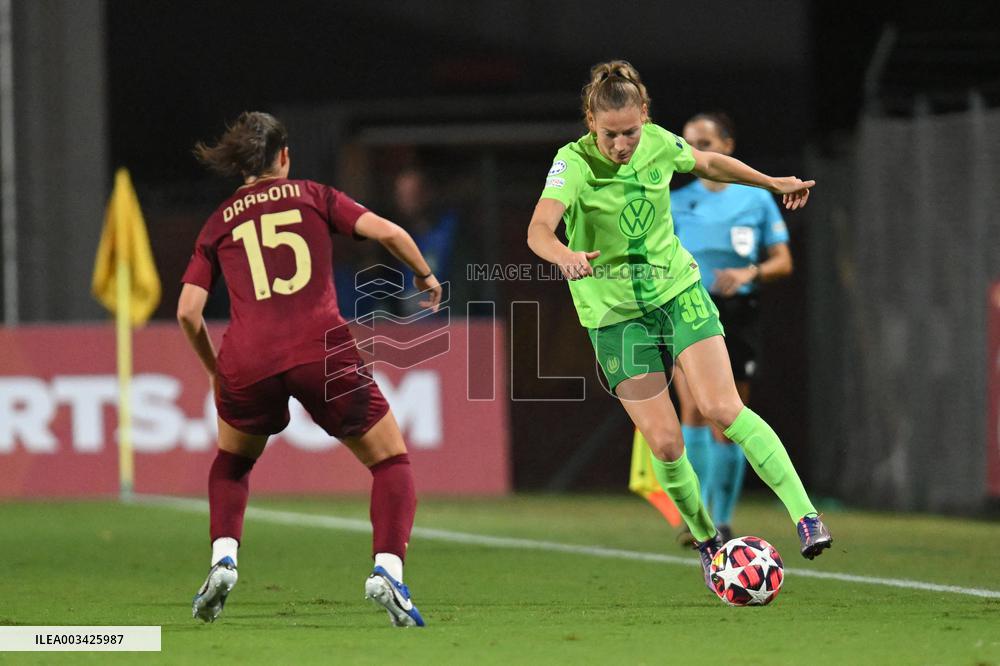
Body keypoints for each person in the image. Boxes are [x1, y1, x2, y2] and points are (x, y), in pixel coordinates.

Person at [526, 61, 831, 590]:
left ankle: (806, 516)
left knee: (722, 407)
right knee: (666, 444)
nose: (622, 144)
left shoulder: (659, 143)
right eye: (610, 134)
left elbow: (710, 162)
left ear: (644, 115)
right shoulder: (570, 164)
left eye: (630, 132)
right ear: (589, 124)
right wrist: (562, 255)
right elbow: (538, 228)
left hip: (677, 293)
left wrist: (769, 183)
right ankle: (710, 543)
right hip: (615, 318)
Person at [178, 111, 442, 627]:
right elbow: (387, 231)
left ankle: (224, 560)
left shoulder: (219, 221)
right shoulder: (314, 196)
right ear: (283, 157)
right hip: (319, 349)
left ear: (241, 165)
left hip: (247, 359)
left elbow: (188, 311)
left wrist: (215, 370)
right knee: (391, 462)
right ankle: (387, 571)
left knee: (232, 464)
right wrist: (425, 274)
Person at [670, 111, 795, 544]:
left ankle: (721, 518)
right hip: (687, 310)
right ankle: (699, 513)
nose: (694, 150)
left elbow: (783, 261)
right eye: (688, 142)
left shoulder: (755, 199)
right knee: (692, 410)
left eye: (704, 141)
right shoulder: (676, 200)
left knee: (728, 418)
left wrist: (749, 273)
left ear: (727, 145)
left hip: (738, 314)